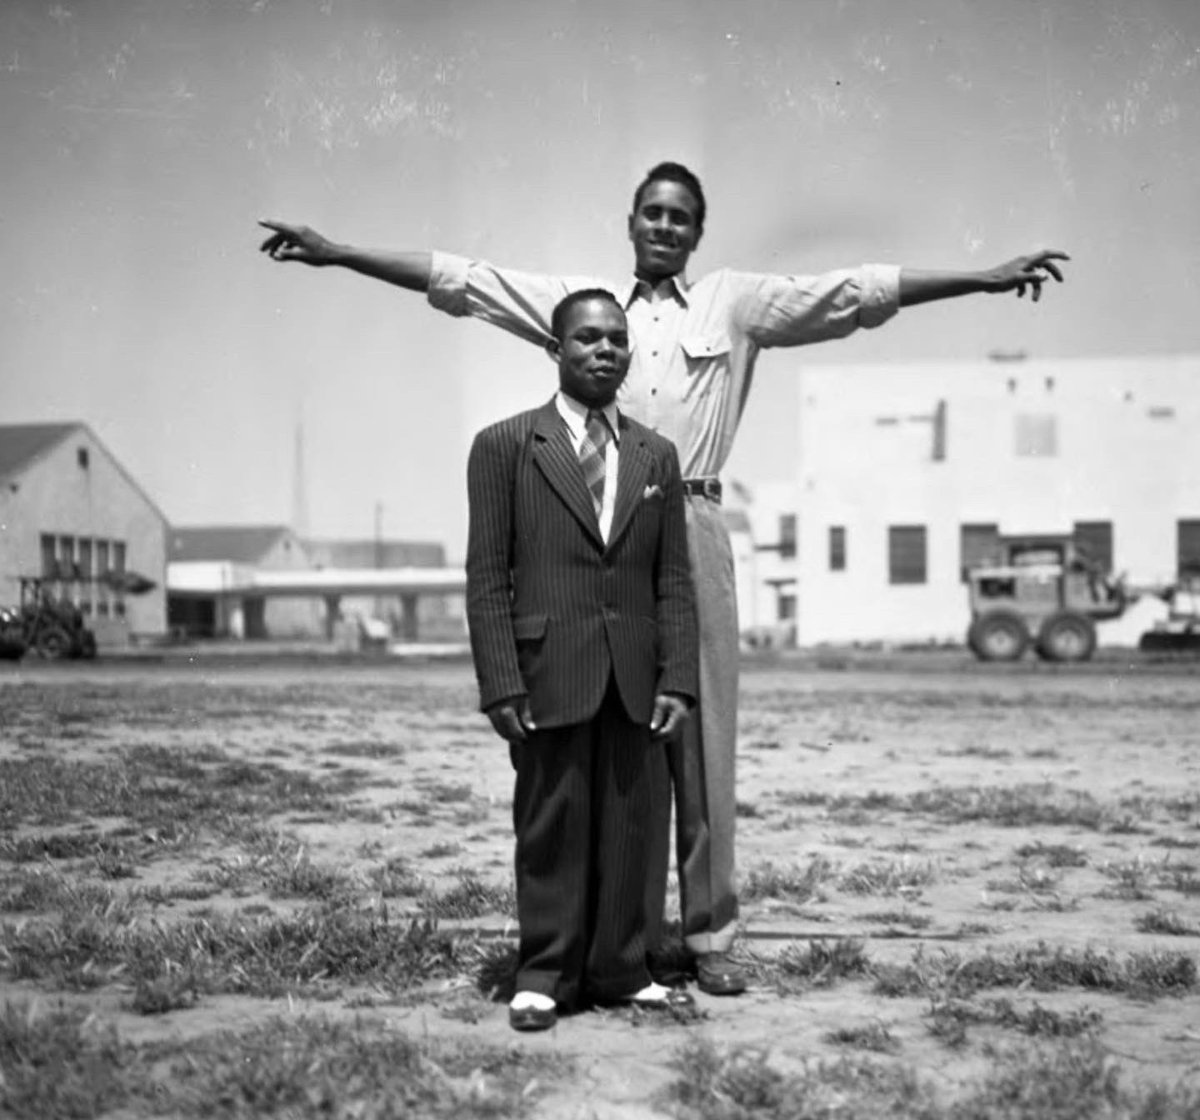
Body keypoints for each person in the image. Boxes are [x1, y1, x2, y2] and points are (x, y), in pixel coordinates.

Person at [260, 162, 1069, 996]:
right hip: (609, 536)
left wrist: (985, 277)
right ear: (631, 220)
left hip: (692, 521)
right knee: (624, 741)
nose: (665, 226)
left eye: (682, 217)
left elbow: (855, 292)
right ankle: (634, 940)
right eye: (652, 212)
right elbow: (465, 281)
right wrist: (337, 253)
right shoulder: (584, 305)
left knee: (702, 741)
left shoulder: (736, 304)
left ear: (697, 232)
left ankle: (711, 937)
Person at [464, 287, 697, 1031]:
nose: (605, 350)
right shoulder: (505, 447)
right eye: (587, 338)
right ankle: (545, 972)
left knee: (635, 823)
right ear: (554, 350)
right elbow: (486, 576)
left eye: (617, 340)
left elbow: (674, 581)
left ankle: (623, 968)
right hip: (547, 670)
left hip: (635, 673)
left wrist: (680, 677)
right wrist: (501, 680)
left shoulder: (656, 454)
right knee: (551, 824)